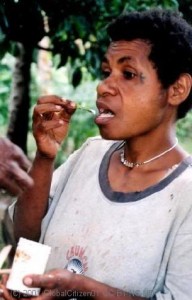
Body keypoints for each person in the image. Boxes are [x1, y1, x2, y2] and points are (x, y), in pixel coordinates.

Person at [4, 7, 192, 300]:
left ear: (177, 89)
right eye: (106, 72)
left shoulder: (186, 194)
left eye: (128, 74)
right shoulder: (89, 154)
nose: (104, 87)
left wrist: (83, 289)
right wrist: (44, 157)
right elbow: (26, 238)